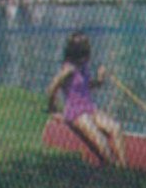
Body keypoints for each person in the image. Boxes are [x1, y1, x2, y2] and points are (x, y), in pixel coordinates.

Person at [45, 31, 127, 166]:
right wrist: (52, 109)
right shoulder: (69, 69)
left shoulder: (83, 67)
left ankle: (125, 167)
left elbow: (86, 85)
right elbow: (53, 86)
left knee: (116, 128)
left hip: (89, 108)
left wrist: (99, 80)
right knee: (101, 140)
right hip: (76, 112)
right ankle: (114, 168)